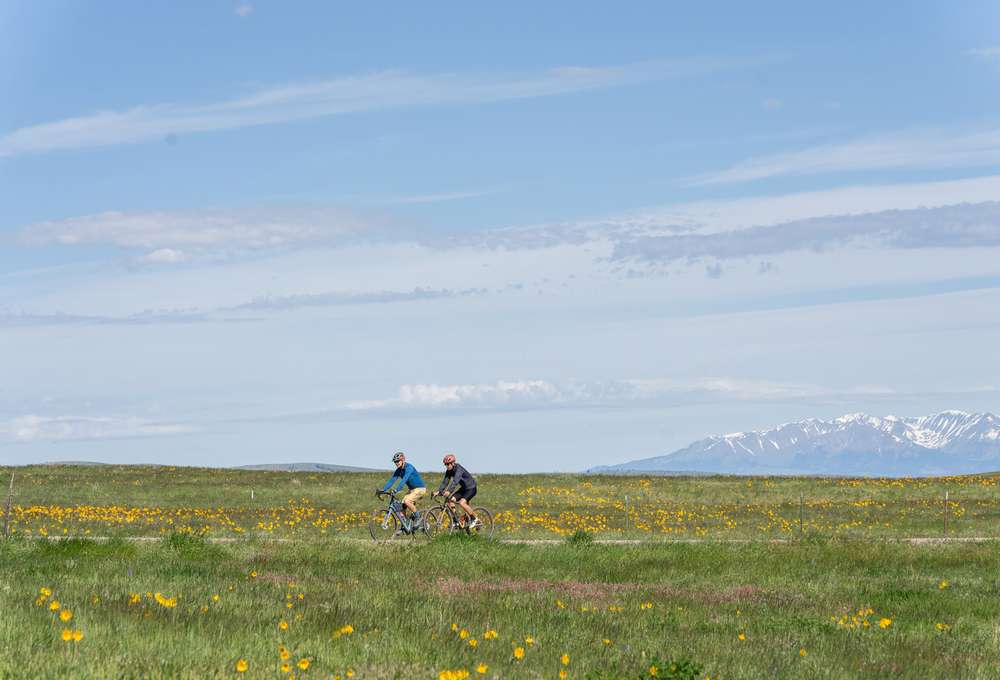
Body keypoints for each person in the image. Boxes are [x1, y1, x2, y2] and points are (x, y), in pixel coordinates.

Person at [379, 451, 426, 533]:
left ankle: (418, 517)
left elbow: (404, 480)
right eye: (395, 462)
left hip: (420, 488)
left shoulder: (409, 467)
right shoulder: (398, 470)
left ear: (403, 460)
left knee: (407, 501)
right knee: (401, 506)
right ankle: (406, 525)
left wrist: (396, 489)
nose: (396, 463)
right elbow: (391, 481)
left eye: (398, 461)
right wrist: (383, 490)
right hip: (412, 490)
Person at [433, 453, 479, 529]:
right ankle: (456, 520)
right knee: (450, 500)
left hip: (471, 488)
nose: (447, 466)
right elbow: (445, 482)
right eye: (445, 464)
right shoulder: (449, 471)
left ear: (453, 463)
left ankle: (474, 518)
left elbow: (455, 481)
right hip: (464, 489)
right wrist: (439, 491)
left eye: (448, 464)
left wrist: (449, 491)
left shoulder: (459, 469)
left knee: (462, 503)